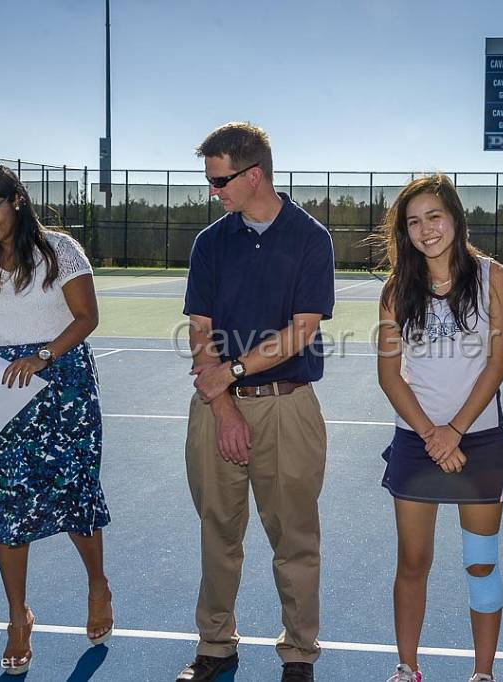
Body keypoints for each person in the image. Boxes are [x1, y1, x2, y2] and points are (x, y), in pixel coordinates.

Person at [178, 122, 334, 682]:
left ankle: (299, 654)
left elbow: (302, 331)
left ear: (254, 175)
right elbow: (201, 330)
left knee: (294, 538)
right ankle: (215, 644)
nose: (212, 191)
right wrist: (223, 405)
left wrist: (234, 372)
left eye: (219, 180)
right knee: (218, 530)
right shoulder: (211, 243)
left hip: (289, 407)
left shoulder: (310, 238)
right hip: (216, 405)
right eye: (210, 181)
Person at [0, 164, 112, 676]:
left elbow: (86, 317)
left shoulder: (59, 249)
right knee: (5, 504)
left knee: (73, 492)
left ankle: (97, 584)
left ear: (16, 201)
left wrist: (43, 355)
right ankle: (18, 618)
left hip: (62, 382)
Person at [375, 173, 503, 682]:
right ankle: (407, 667)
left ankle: (482, 673)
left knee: (480, 563)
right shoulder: (397, 290)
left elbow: (496, 363)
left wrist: (455, 431)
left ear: (456, 218)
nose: (425, 229)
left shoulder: (492, 276)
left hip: (478, 442)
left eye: (434, 216)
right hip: (417, 442)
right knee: (412, 562)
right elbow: (389, 374)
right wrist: (431, 436)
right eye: (413, 222)